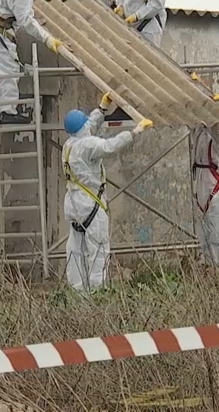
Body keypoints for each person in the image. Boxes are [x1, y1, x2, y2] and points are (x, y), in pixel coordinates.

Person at [63, 93, 153, 291]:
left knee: (76, 253)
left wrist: (102, 109)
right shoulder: (88, 145)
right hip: (91, 205)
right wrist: (134, 132)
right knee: (98, 251)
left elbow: (89, 127)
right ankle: (98, 292)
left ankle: (79, 295)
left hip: (75, 204)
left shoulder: (70, 145)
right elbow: (109, 146)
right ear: (82, 126)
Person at [190, 122, 219, 270]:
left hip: (218, 194)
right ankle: (210, 278)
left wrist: (211, 117)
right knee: (205, 242)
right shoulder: (199, 133)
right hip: (203, 191)